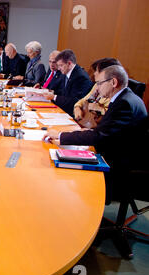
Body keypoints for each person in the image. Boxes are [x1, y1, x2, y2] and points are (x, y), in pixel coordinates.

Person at [46, 65, 148, 201]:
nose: (97, 88)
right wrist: (88, 132)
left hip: (119, 160)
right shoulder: (123, 97)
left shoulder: (124, 103)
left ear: (113, 82)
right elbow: (107, 130)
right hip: (117, 147)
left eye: (99, 83)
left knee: (60, 173)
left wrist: (60, 135)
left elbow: (99, 137)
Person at [73, 58, 122, 128]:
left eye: (97, 71)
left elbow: (113, 116)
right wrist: (77, 108)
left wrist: (100, 109)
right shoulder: (97, 85)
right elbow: (83, 100)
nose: (94, 73)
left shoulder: (116, 95)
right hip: (86, 124)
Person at [42, 49, 92, 117]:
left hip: (73, 115)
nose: (59, 68)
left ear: (69, 63)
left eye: (61, 65)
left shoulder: (80, 77)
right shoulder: (66, 72)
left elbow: (75, 101)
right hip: (62, 110)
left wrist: (54, 97)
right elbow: (63, 93)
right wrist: (52, 92)